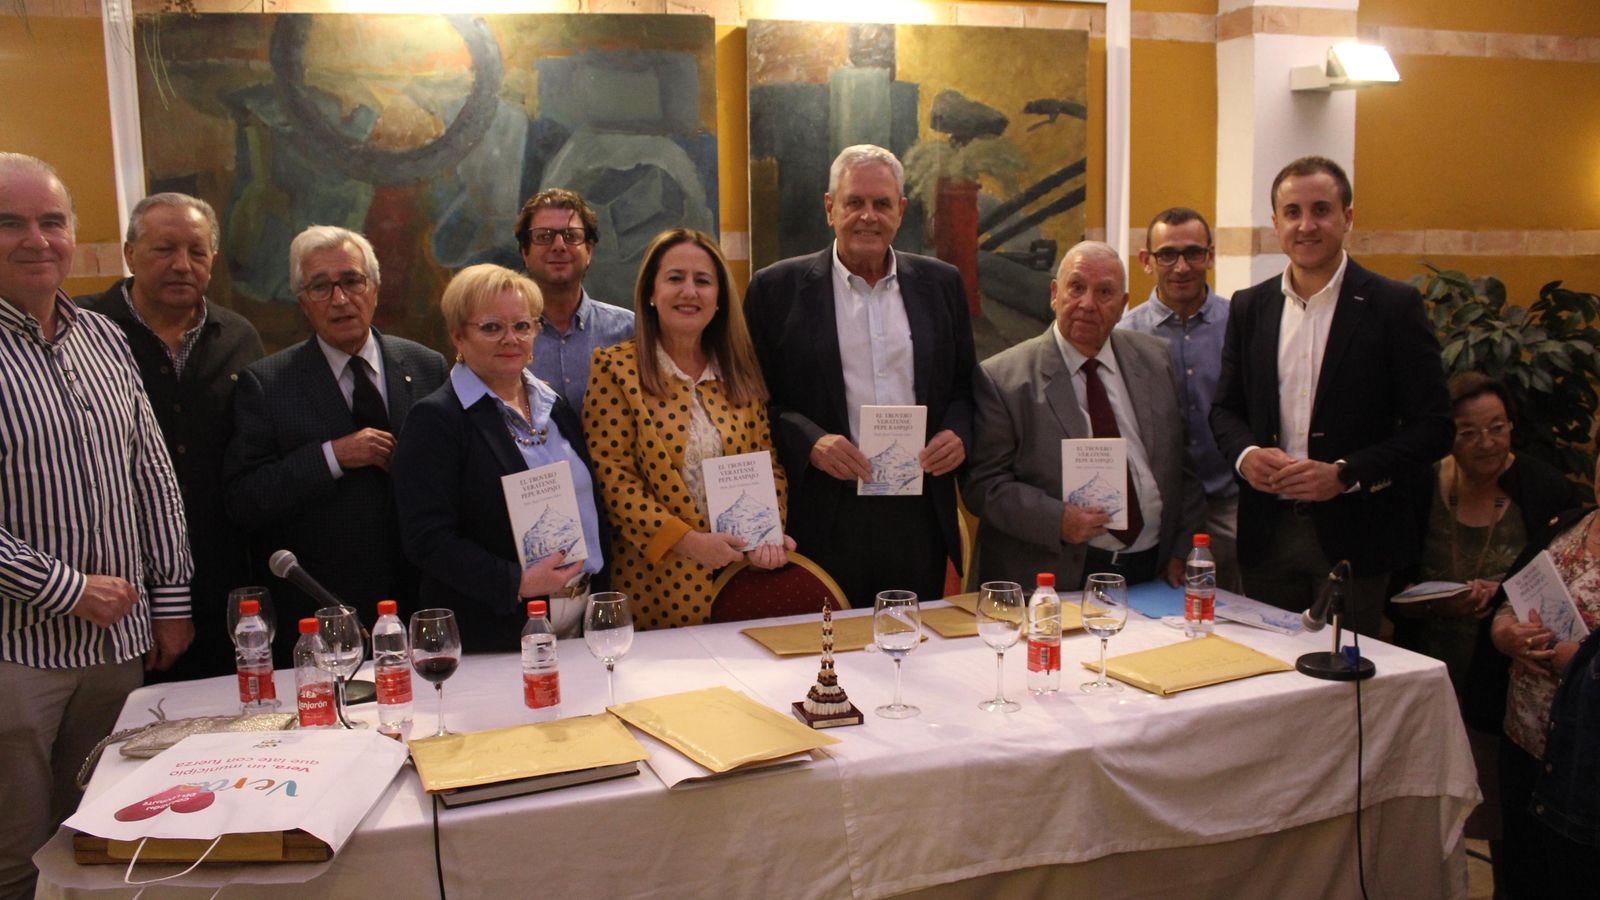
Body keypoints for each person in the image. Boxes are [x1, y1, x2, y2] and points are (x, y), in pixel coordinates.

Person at [0, 154, 193, 899]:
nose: (35, 240)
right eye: (10, 223)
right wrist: (67, 588)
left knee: (107, 835)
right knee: (17, 850)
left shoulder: (104, 339)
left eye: (51, 222)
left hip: (116, 649)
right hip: (19, 654)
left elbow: (152, 474)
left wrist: (170, 598)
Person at [1211, 156, 1453, 636]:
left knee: (1344, 690)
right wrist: (1246, 455)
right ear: (1276, 222)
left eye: (1321, 209)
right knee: (1267, 677)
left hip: (1355, 536)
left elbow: (1436, 428)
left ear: (1347, 218)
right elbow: (1224, 409)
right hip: (1266, 532)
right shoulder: (1250, 306)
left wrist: (1346, 474)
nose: (1307, 225)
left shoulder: (1392, 306)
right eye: (1292, 212)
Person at [745, 144, 975, 607]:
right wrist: (810, 440)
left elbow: (965, 387)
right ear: (831, 208)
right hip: (825, 508)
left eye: (882, 203)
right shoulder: (776, 290)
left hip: (918, 511)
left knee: (910, 649)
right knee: (825, 657)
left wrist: (958, 431)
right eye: (855, 202)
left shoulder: (942, 285)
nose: (868, 216)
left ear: (901, 211)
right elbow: (751, 400)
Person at [224, 226, 447, 664]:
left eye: (351, 281)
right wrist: (332, 457)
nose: (340, 299)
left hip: (422, 599)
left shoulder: (426, 365)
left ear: (375, 289)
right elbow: (244, 499)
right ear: (302, 301)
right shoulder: (267, 384)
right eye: (320, 287)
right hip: (323, 608)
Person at [1394, 374, 1579, 896]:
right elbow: (1393, 575)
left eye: (1497, 428)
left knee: (1504, 816)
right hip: (1428, 668)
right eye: (1468, 432)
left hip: (1500, 681)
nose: (1487, 444)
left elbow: (1559, 580)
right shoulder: (1423, 482)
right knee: (1425, 811)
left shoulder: (1545, 489)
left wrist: (1501, 594)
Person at [77, 193, 265, 680]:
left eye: (196, 251)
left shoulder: (239, 336)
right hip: (113, 585)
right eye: (164, 249)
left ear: (213, 260)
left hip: (221, 580)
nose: (182, 265)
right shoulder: (82, 331)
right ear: (130, 253)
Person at [966, 241, 1205, 590]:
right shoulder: (1003, 378)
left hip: (1152, 573)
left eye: (1104, 292)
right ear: (1054, 293)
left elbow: (1181, 465)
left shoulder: (1155, 359)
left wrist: (1183, 545)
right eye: (1076, 287)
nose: (1087, 304)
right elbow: (984, 485)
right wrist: (1056, 520)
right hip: (1057, 575)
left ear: (1123, 305)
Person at [584, 229, 793, 629]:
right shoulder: (615, 370)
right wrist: (690, 543)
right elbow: (613, 480)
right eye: (675, 278)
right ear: (651, 292)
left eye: (703, 281)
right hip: (656, 584)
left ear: (719, 300)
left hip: (737, 578)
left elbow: (768, 464)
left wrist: (770, 531)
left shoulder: (738, 374)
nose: (689, 292)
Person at [393, 264, 607, 652]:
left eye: (522, 326)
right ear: (458, 335)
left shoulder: (553, 405)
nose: (510, 339)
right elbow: (426, 539)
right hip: (496, 626)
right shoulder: (436, 419)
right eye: (491, 327)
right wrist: (517, 581)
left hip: (583, 618)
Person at [1480, 450, 1599, 900]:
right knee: (1522, 875)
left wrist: (1579, 661)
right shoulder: (1571, 524)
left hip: (1584, 772)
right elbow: (1513, 598)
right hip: (1525, 744)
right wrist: (1506, 633)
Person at [1119, 207, 1239, 591]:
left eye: (1193, 253)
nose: (1182, 267)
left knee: (1244, 615)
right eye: (1167, 254)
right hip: (1163, 512)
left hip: (1232, 503)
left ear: (1211, 255)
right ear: (1146, 261)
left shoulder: (1240, 323)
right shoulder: (1124, 336)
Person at [515, 188, 633, 411]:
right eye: (544, 236)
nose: (559, 245)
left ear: (589, 251)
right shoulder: (505, 338)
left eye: (571, 236)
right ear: (524, 252)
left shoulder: (630, 332)